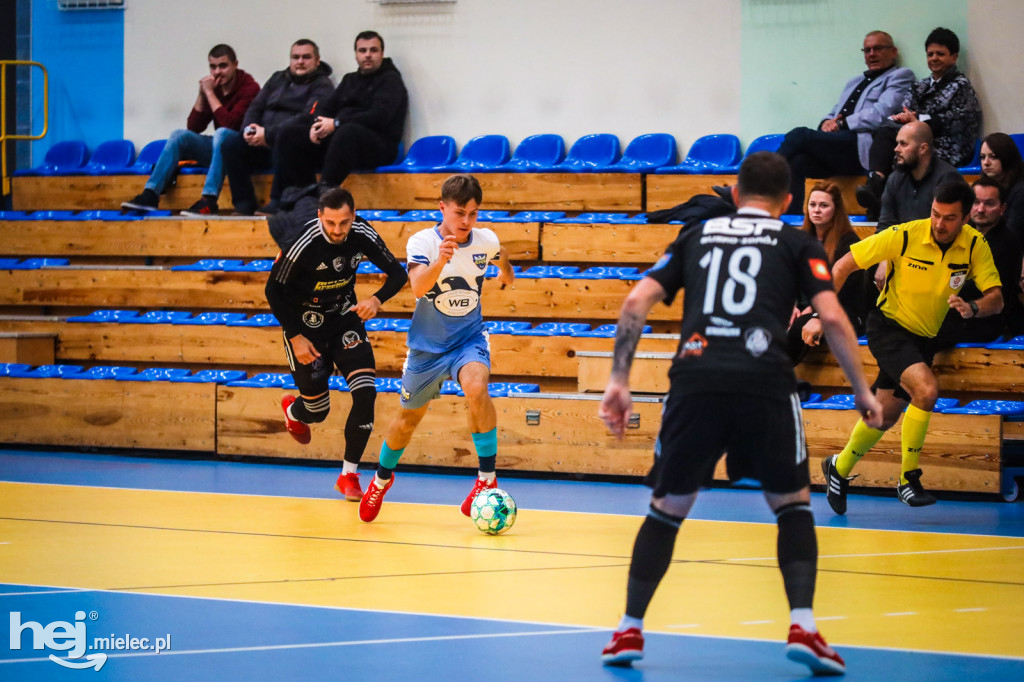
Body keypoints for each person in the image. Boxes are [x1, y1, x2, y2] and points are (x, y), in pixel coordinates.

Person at [598, 152, 883, 675]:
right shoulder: (796, 242)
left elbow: (635, 302)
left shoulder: (697, 235)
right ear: (789, 201)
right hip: (765, 385)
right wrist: (863, 390)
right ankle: (803, 625)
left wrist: (619, 380)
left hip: (696, 383)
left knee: (666, 510)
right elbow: (835, 318)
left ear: (734, 192)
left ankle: (627, 631)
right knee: (793, 507)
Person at [823, 180, 1002, 515]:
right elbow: (843, 265)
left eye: (949, 218)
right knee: (927, 390)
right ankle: (908, 479)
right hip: (888, 327)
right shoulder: (904, 235)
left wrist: (974, 307)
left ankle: (839, 468)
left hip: (924, 337)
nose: (939, 223)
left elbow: (997, 298)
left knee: (885, 412)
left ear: (965, 218)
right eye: (936, 214)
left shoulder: (975, 245)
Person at [358, 174, 515, 523]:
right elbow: (416, 287)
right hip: (427, 348)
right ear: (442, 208)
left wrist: (503, 267)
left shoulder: (485, 239)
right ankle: (382, 480)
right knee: (407, 420)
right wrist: (441, 261)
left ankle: (486, 480)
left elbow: (503, 265)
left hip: (468, 339)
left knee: (476, 387)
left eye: (473, 214)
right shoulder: (423, 241)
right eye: (459, 213)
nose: (465, 221)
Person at [264, 187, 408, 501]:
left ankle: (349, 475)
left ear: (353, 216)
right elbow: (273, 291)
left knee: (366, 392)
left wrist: (376, 299)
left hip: (345, 317)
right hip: (305, 327)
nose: (338, 230)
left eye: (344, 222)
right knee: (317, 411)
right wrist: (295, 336)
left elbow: (398, 273)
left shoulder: (362, 232)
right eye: (330, 223)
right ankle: (295, 411)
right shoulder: (301, 243)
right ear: (320, 217)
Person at [268, 30, 408, 215]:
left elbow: (379, 117)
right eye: (362, 50)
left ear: (381, 53)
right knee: (291, 135)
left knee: (347, 131)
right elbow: (327, 108)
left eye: (373, 50)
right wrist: (316, 126)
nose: (367, 55)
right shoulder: (350, 80)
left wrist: (336, 123)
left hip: (378, 145)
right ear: (356, 54)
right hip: (342, 144)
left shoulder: (391, 81)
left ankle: (325, 194)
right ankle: (304, 192)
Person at [773, 31, 913, 214]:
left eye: (878, 48)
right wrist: (825, 123)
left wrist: (842, 124)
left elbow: (881, 114)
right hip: (838, 146)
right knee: (797, 162)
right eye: (867, 50)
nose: (871, 54)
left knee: (800, 135)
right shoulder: (855, 81)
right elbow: (835, 111)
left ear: (893, 51)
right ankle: (793, 224)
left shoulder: (901, 76)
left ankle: (759, 178)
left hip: (862, 146)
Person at [857, 27, 981, 218]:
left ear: (954, 57)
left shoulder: (961, 85)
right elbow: (905, 110)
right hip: (917, 140)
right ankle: (877, 190)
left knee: (904, 151)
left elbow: (957, 122)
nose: (934, 58)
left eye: (940, 54)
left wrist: (919, 122)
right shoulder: (920, 85)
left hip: (949, 146)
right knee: (890, 136)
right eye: (930, 54)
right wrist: (905, 120)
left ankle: (876, 194)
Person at [121, 45, 260, 213]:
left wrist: (210, 94)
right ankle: (150, 194)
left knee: (222, 134)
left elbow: (229, 125)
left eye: (223, 66)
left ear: (235, 65)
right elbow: (194, 127)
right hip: (219, 152)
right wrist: (202, 94)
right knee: (179, 135)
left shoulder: (250, 88)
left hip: (242, 151)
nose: (217, 72)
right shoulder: (214, 88)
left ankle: (208, 200)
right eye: (213, 66)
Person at [204, 39, 335, 217]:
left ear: (317, 60)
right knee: (229, 144)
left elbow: (307, 118)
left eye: (306, 57)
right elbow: (255, 106)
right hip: (263, 142)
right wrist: (250, 130)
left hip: (294, 148)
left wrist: (268, 134)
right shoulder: (277, 78)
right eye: (295, 57)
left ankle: (277, 200)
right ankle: (243, 203)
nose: (300, 61)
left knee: (287, 135)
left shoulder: (323, 85)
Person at [934, 177, 1024, 343]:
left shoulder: (1007, 242)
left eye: (989, 204)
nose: (981, 209)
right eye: (976, 202)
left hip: (989, 321)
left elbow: (976, 290)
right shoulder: (962, 235)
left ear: (1002, 208)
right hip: (956, 313)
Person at [788, 182, 868, 362]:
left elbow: (844, 290)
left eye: (823, 206)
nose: (816, 210)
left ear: (836, 210)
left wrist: (812, 309)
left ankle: (776, 377)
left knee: (803, 323)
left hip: (844, 311)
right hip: (807, 309)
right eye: (812, 205)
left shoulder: (848, 241)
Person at [978, 132, 1024, 243]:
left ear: (1007, 158)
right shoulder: (981, 187)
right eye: (983, 157)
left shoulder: (1021, 191)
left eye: (992, 157)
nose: (986, 163)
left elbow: (1013, 235)